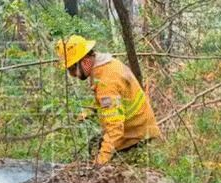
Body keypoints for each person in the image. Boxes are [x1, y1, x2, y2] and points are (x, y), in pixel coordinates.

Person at [55, 35, 161, 165]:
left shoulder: (107, 81)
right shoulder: (106, 65)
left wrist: (100, 162)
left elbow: (115, 129)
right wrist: (89, 112)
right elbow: (113, 101)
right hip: (137, 128)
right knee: (96, 143)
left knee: (103, 154)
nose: (72, 75)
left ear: (85, 61)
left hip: (137, 137)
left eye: (72, 69)